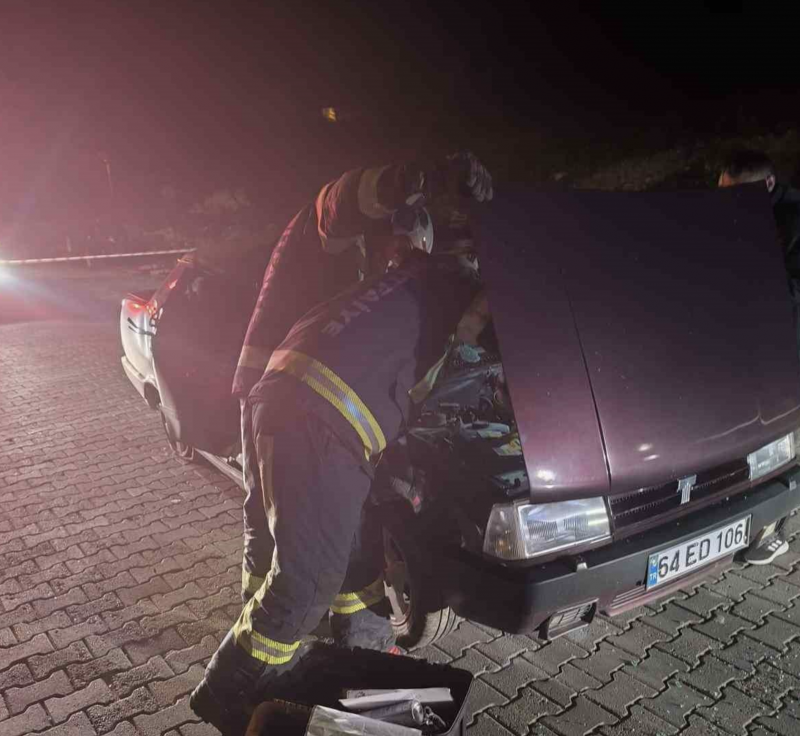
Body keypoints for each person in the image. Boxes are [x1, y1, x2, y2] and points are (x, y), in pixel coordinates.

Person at [190, 246, 492, 733]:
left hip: (288, 393)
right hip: (320, 419)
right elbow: (463, 363)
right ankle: (225, 695)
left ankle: (362, 659)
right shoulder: (469, 295)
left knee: (354, 557)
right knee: (307, 584)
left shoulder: (425, 275)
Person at [233, 153, 492, 609]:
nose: (396, 263)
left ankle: (320, 623)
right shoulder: (323, 225)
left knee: (313, 524)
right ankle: (272, 621)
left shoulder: (367, 264)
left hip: (293, 394)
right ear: (379, 230)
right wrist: (417, 177)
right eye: (398, 250)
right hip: (283, 395)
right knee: (281, 523)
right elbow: (343, 200)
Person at [718, 149, 800, 565]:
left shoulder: (794, 221)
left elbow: (791, 292)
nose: (726, 203)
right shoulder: (741, 211)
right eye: (723, 191)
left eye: (737, 194)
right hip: (754, 345)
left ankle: (773, 531)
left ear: (768, 185)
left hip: (788, 348)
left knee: (784, 436)